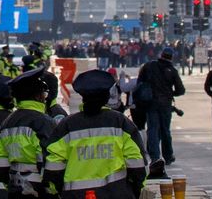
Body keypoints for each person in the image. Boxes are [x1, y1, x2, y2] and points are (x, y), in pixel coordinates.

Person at [43, 69, 147, 199]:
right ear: (107, 96)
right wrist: (133, 191)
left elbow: (53, 167)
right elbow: (137, 164)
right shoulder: (120, 122)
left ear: (83, 97)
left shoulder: (67, 125)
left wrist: (59, 192)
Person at [0, 68, 57, 197]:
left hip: (15, 189)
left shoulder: (7, 122)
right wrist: (53, 190)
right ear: (38, 96)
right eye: (44, 93)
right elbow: (50, 160)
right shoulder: (44, 122)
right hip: (40, 190)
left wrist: (9, 185)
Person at [135, 48, 185, 172]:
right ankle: (168, 156)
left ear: (161, 55)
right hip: (166, 103)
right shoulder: (172, 71)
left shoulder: (149, 66)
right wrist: (170, 92)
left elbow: (139, 82)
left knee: (152, 129)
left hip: (150, 102)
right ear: (171, 57)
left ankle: (155, 156)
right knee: (165, 130)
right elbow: (181, 90)